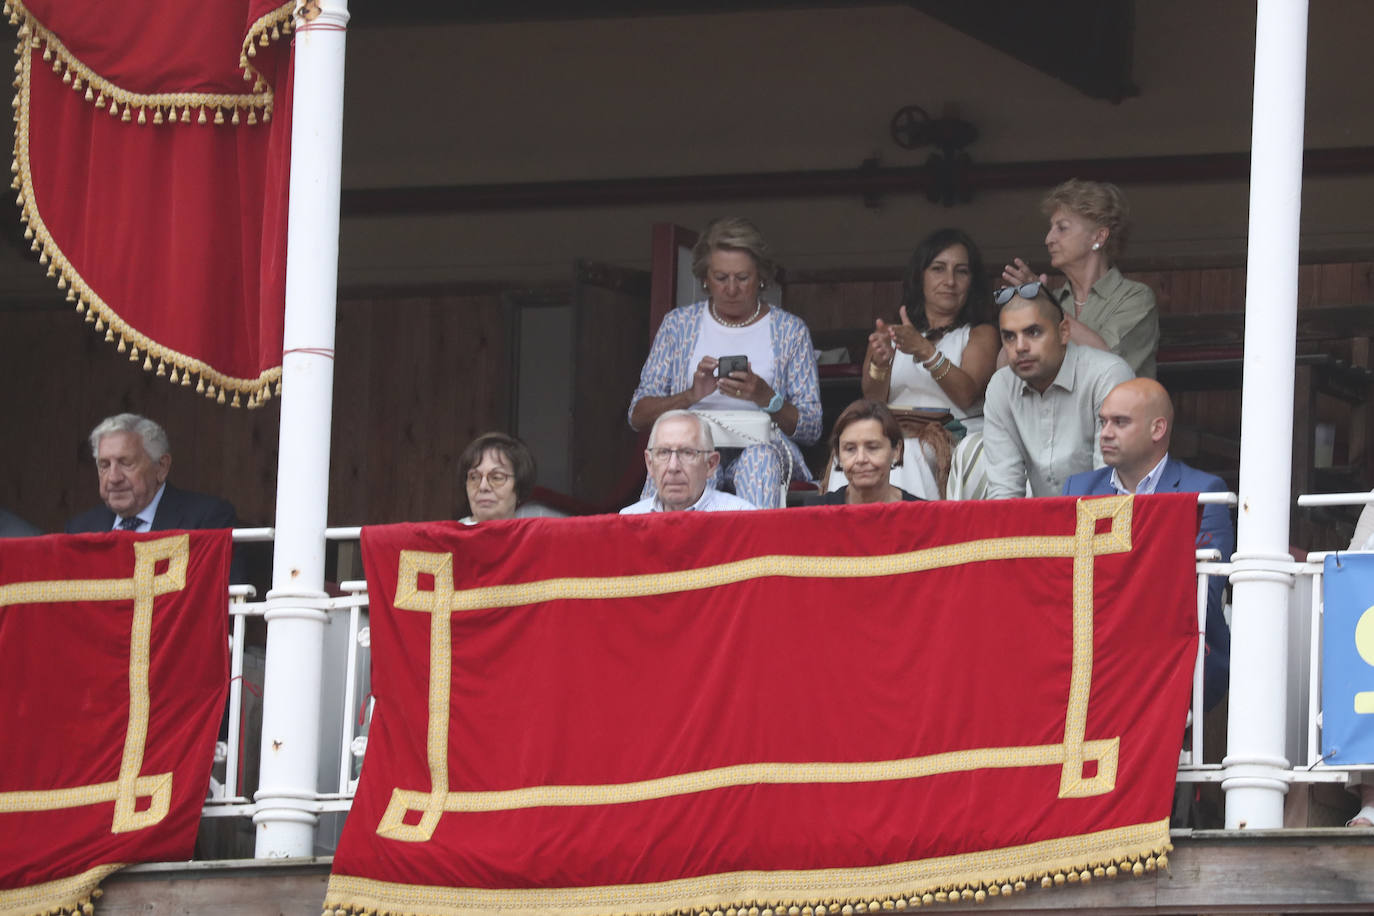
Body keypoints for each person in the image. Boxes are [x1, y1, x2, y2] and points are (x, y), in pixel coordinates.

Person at [1063, 378, 1233, 711]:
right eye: (1103, 422)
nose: (1106, 433)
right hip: (1095, 652)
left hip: (1169, 655)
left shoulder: (1204, 491)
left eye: (1120, 422)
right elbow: (1061, 583)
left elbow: (1205, 594)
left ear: (1157, 429)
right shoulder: (1078, 489)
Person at [628, 217, 821, 508]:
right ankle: (674, 550)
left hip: (764, 448)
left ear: (761, 278)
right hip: (694, 445)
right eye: (721, 278)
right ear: (705, 278)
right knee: (686, 460)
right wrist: (691, 396)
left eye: (742, 278)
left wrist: (766, 397)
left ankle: (756, 553)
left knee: (760, 462)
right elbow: (638, 415)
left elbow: (812, 427)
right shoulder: (678, 325)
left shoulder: (789, 331)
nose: (731, 289)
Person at [842, 227, 999, 500]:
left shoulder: (980, 333)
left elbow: (966, 394)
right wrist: (880, 364)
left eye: (961, 271)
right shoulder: (891, 334)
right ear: (920, 277)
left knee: (908, 452)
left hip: (953, 438)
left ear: (972, 281)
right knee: (851, 455)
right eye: (938, 269)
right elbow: (873, 401)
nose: (950, 280)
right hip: (893, 435)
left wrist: (925, 351)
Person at [983, 283, 1134, 499]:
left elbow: (1110, 485)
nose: (1020, 347)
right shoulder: (1001, 386)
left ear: (1064, 332)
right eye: (1009, 337)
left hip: (1106, 519)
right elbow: (1004, 491)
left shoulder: (1107, 374)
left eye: (1033, 332)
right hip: (1040, 524)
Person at [1002, 179, 1159, 378]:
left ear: (1099, 237)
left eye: (1062, 228)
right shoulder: (1053, 299)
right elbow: (1003, 371)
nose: (1048, 239)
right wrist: (1022, 308)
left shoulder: (1136, 297)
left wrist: (1046, 304)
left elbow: (1108, 364)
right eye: (1051, 228)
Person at [66, 413, 238, 534]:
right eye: (104, 465)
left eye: (126, 463)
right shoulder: (80, 529)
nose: (113, 478)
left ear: (161, 467)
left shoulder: (206, 521)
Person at [621, 411, 757, 514]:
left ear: (710, 464)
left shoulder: (741, 517)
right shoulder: (629, 520)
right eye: (664, 452)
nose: (673, 467)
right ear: (649, 463)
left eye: (687, 453)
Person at [817, 400, 923, 505]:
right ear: (838, 455)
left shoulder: (922, 514)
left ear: (896, 451)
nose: (861, 459)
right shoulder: (816, 514)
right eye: (850, 449)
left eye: (872, 448)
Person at [457, 432, 537, 524]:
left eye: (496, 477)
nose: (483, 487)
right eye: (474, 477)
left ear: (520, 487)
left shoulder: (532, 536)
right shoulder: (449, 536)